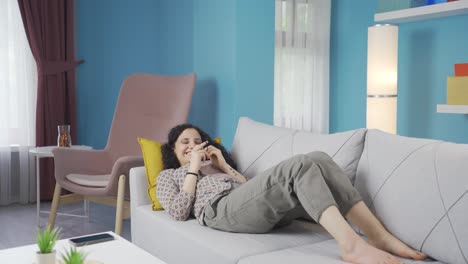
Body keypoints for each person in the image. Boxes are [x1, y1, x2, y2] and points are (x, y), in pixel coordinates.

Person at [157, 124, 427, 264]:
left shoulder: (218, 167)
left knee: (319, 158)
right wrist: (193, 168)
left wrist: (224, 166)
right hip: (220, 211)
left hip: (248, 209)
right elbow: (179, 212)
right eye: (185, 142)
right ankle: (352, 247)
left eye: (197, 141)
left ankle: (377, 235)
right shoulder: (169, 176)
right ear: (173, 149)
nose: (193, 145)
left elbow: (253, 192)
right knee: (299, 164)